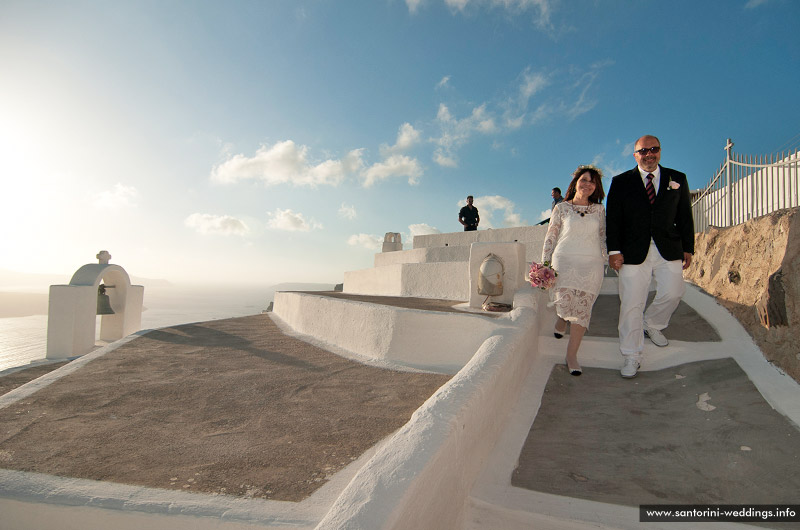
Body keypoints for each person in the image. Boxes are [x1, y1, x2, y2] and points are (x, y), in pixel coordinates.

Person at [605, 135, 695, 379]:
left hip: (669, 248)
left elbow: (685, 215)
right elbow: (613, 219)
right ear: (635, 155)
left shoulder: (678, 178)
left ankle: (652, 324)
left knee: (674, 292)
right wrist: (614, 251)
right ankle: (631, 354)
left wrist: (688, 247)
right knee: (632, 304)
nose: (648, 154)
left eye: (653, 149)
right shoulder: (621, 182)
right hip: (633, 252)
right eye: (643, 151)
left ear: (660, 151)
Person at [541, 165, 607, 376]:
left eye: (592, 181)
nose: (587, 184)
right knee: (565, 303)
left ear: (596, 187)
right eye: (584, 179)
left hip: (591, 264)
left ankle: (571, 356)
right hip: (565, 262)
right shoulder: (561, 208)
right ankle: (561, 319)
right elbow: (551, 236)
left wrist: (609, 259)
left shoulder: (599, 210)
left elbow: (603, 236)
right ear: (576, 182)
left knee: (582, 311)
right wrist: (545, 264)